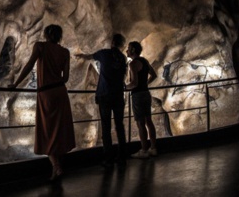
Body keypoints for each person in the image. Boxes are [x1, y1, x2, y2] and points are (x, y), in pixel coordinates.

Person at [9, 24, 76, 180]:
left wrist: (16, 84)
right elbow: (65, 78)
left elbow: (29, 66)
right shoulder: (65, 52)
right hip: (60, 92)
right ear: (60, 36)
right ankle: (56, 168)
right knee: (58, 130)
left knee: (47, 130)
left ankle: (56, 167)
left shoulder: (40, 46)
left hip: (46, 93)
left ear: (46, 35)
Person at [75, 33, 128, 166]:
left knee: (106, 126)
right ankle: (122, 156)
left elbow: (90, 56)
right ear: (122, 45)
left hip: (105, 94)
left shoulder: (105, 54)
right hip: (118, 95)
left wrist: (81, 56)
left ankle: (108, 158)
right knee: (120, 126)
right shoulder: (123, 58)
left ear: (112, 43)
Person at [126, 41, 158, 158]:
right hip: (146, 93)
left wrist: (124, 87)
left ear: (133, 50)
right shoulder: (144, 61)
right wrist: (145, 84)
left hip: (138, 95)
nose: (127, 51)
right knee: (149, 121)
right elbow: (154, 75)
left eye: (128, 48)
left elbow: (134, 83)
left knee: (140, 123)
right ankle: (153, 148)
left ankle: (144, 150)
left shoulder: (133, 63)